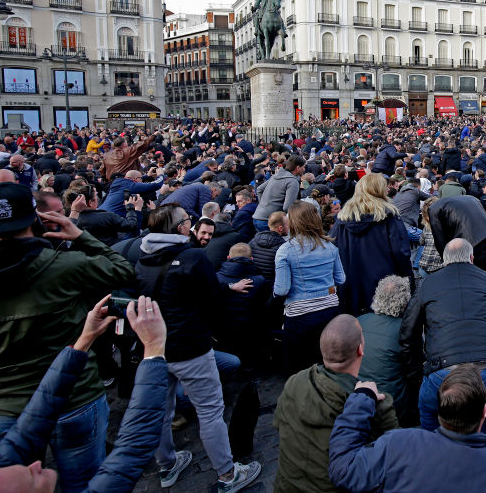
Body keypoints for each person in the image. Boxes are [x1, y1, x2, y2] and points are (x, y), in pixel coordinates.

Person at [0, 184, 133, 492]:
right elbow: (121, 269)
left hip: (2, 405)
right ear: (34, 221)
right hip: (74, 397)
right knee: (86, 484)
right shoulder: (62, 266)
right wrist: (78, 234)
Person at [0, 295, 168, 493]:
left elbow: (38, 411)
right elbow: (132, 447)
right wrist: (153, 348)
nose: (37, 464)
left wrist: (84, 340)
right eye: (31, 476)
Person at [134, 205, 261, 492]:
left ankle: (167, 464)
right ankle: (228, 475)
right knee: (210, 411)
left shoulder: (143, 257)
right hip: (189, 345)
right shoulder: (192, 257)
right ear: (180, 228)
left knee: (162, 410)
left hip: (155, 346)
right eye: (188, 221)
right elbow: (212, 297)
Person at [328, 366, 486, 493]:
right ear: (484, 412)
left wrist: (362, 398)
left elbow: (342, 469)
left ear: (439, 410)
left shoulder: (398, 445)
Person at [399, 238, 486, 449]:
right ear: (471, 258)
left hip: (443, 375)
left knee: (428, 409)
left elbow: (408, 334)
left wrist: (417, 374)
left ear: (445, 261)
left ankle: (435, 455)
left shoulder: (428, 284)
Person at [273, 314, 398, 493]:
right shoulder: (377, 404)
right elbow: (395, 459)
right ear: (360, 349)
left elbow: (279, 425)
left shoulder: (295, 381)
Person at [274, 201, 346, 375]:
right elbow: (341, 278)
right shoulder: (329, 247)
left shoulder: (286, 250)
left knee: (300, 369)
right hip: (330, 311)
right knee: (326, 364)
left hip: (300, 317)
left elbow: (281, 289)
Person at [330, 173, 412, 316]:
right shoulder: (389, 217)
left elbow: (332, 250)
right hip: (384, 285)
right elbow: (401, 253)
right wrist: (407, 281)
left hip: (350, 285)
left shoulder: (342, 219)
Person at [357, 275, 418, 426]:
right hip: (393, 404)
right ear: (405, 301)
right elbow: (414, 369)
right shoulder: (405, 330)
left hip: (359, 398)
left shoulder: (359, 321)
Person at [428, 193, 486, 280]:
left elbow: (440, 242)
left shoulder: (433, 209)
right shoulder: (471, 198)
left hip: (477, 250)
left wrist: (448, 264)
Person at [215, 243, 269, 366]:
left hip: (222, 332)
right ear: (252, 259)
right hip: (250, 333)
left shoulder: (216, 278)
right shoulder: (259, 280)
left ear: (228, 258)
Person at [67, 184, 143, 246]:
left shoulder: (69, 221)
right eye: (96, 195)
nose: (98, 198)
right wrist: (134, 209)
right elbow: (131, 226)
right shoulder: (106, 217)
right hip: (109, 253)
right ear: (90, 202)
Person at [251, 155, 305, 232]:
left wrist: (263, 204)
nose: (304, 169)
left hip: (257, 217)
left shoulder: (276, 176)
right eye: (303, 167)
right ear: (298, 168)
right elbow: (287, 207)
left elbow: (259, 189)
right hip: (271, 221)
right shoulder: (292, 181)